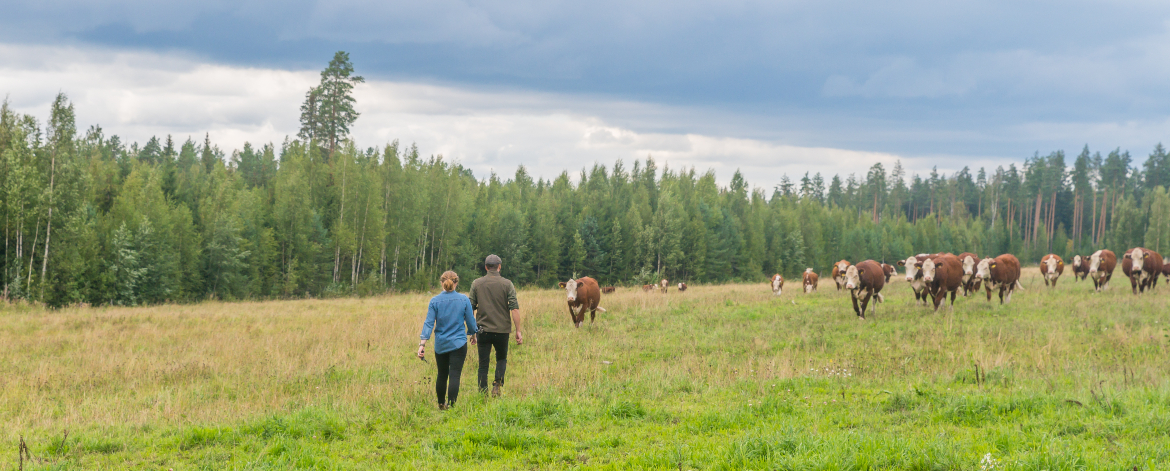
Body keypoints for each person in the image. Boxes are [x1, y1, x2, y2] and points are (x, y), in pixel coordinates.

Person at [418, 271, 478, 410]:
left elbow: (428, 323)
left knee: (442, 374)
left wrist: (422, 344)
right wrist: (473, 336)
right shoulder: (464, 300)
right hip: (458, 343)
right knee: (455, 375)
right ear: (456, 282)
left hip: (441, 344)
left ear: (441, 283)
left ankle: (440, 404)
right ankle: (451, 405)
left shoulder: (434, 301)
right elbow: (470, 321)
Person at [468, 254, 523, 397]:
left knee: (483, 363)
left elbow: (470, 309)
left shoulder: (476, 284)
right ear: (499, 267)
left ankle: (482, 392)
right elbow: (514, 308)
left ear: (486, 267)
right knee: (501, 358)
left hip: (482, 329)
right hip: (502, 330)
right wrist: (518, 331)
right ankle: (497, 384)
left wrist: (472, 332)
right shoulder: (507, 284)